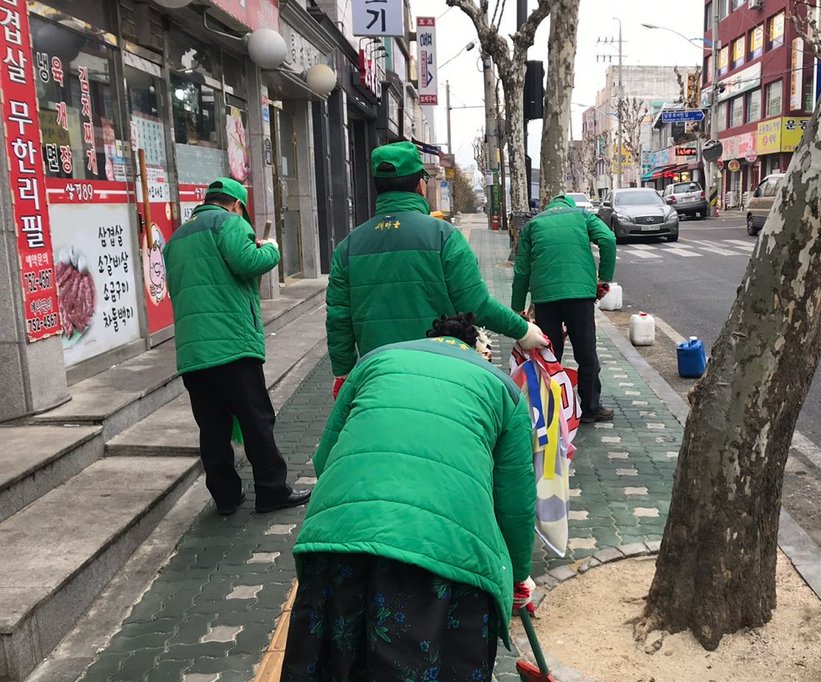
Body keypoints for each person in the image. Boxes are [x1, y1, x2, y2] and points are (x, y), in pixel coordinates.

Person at [271, 313, 536, 682]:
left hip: (344, 544)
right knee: (455, 677)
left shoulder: (376, 362)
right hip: (451, 555)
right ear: (475, 346)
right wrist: (518, 578)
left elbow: (324, 457)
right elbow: (515, 501)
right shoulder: (501, 388)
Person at [326, 141, 547, 391]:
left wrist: (343, 372)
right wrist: (523, 330)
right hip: (440, 373)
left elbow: (339, 319)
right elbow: (476, 304)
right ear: (421, 183)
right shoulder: (444, 236)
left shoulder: (348, 246)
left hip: (378, 375)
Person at [163, 177, 310, 516]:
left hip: (193, 351)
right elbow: (249, 262)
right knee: (256, 419)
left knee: (212, 427)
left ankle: (226, 498)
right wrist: (270, 247)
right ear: (236, 204)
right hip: (231, 345)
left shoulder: (178, 237)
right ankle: (271, 490)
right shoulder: (228, 223)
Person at [511, 192, 618, 422]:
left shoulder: (533, 224)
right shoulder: (582, 216)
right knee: (586, 352)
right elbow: (608, 239)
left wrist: (517, 307)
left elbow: (521, 270)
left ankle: (550, 409)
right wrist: (604, 278)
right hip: (579, 297)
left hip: (545, 298)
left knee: (549, 353)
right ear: (569, 205)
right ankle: (590, 408)